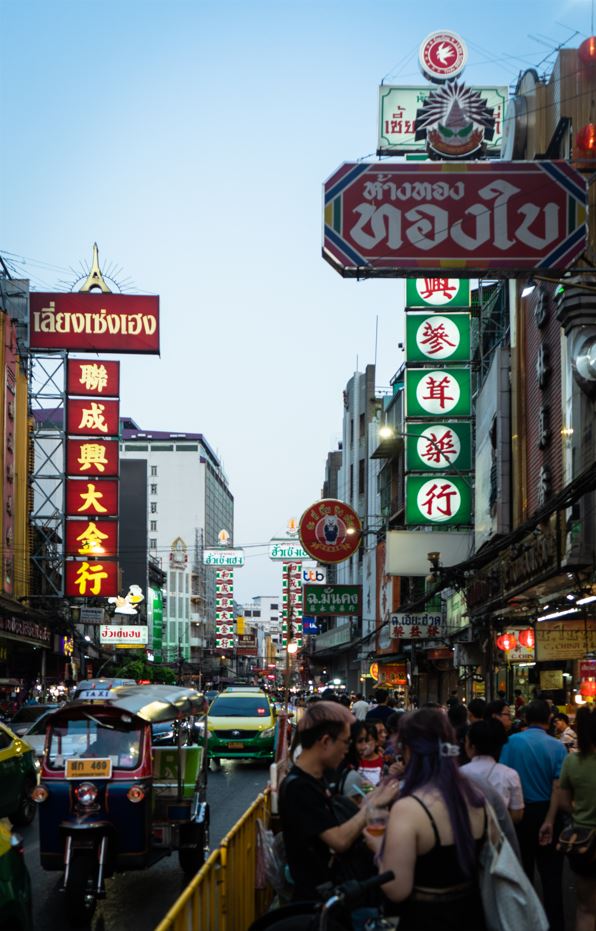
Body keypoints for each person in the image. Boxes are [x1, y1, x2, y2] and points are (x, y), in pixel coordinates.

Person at [366, 708, 487, 930]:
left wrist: (377, 847)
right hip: (472, 915)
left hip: (426, 919)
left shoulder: (409, 809)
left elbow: (397, 889)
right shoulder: (476, 798)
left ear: (409, 750)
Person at [279, 701, 399, 902]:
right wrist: (372, 805)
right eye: (345, 742)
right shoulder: (298, 787)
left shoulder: (317, 779)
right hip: (316, 899)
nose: (347, 750)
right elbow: (339, 840)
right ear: (325, 742)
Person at [500, 699, 567, 931]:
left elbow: (504, 780)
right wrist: (550, 819)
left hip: (519, 815)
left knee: (521, 875)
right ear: (549, 719)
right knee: (552, 879)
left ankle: (523, 924)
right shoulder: (557, 747)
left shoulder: (510, 743)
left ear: (526, 719)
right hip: (548, 813)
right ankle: (554, 924)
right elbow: (558, 787)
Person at [539, 705, 596, 931]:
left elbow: (562, 801)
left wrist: (581, 812)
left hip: (583, 842)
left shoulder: (573, 761)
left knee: (585, 908)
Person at [462, 719, 524, 823]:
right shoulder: (510, 774)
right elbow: (517, 815)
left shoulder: (458, 774)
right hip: (499, 835)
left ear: (472, 746)